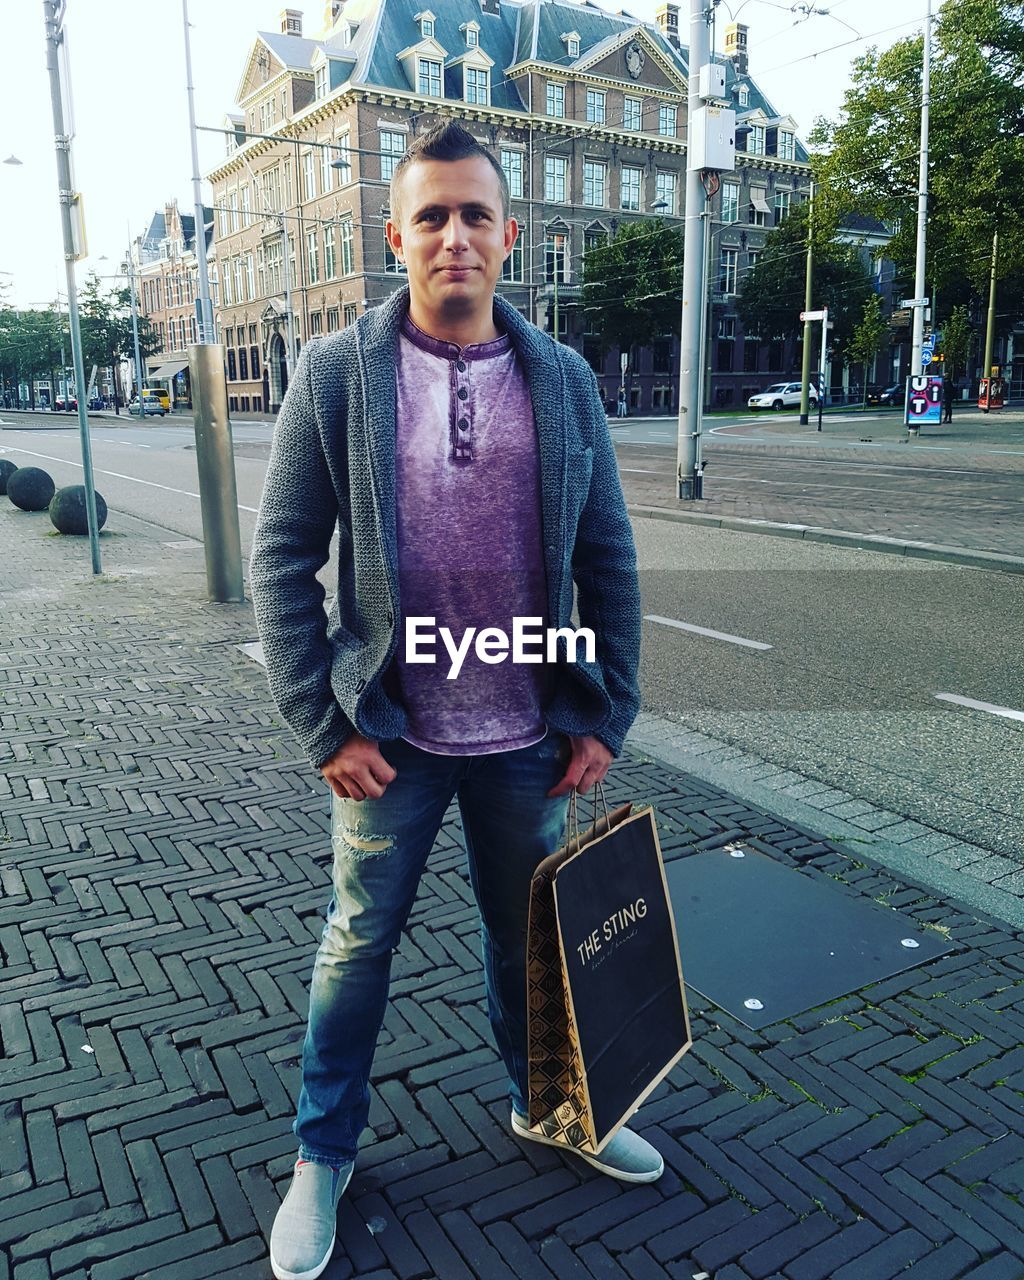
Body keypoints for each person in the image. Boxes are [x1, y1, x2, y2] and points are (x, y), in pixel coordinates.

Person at [250, 120, 651, 1280]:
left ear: (510, 236)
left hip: (526, 733)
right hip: (393, 736)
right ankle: (321, 1152)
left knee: (529, 939)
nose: (455, 235)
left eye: (476, 214)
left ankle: (548, 1103)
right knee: (356, 943)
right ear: (396, 236)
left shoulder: (562, 379)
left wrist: (602, 711)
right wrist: (320, 721)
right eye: (431, 215)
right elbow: (284, 557)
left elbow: (607, 555)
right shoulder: (337, 375)